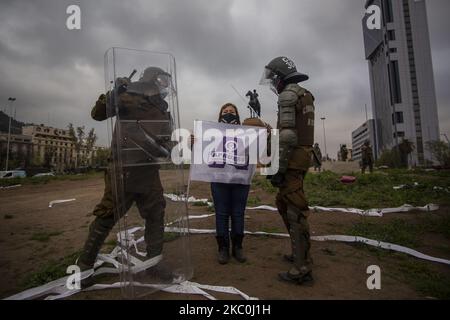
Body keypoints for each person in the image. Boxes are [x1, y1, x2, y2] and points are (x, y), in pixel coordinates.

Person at [77, 67, 172, 280]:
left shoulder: (163, 108)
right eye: (163, 80)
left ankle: (154, 263)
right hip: (124, 169)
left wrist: (167, 149)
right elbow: (98, 114)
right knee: (108, 214)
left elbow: (166, 137)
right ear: (151, 79)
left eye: (167, 81)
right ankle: (84, 267)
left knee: (156, 214)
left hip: (148, 170)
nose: (165, 85)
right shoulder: (128, 95)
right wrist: (114, 93)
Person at [260, 56, 315, 285]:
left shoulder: (288, 95)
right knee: (285, 204)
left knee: (294, 211)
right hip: (299, 159)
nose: (273, 82)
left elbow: (289, 136)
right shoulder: (304, 93)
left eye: (273, 78)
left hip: (291, 161)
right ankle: (300, 255)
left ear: (281, 76)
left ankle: (301, 268)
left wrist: (277, 170)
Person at [211, 103, 250, 264]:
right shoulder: (211, 133)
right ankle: (223, 248)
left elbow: (258, 149)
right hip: (219, 179)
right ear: (220, 115)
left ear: (237, 115)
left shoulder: (247, 133)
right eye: (225, 112)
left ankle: (238, 247)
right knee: (221, 213)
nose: (228, 114)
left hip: (240, 179)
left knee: (238, 213)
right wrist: (195, 142)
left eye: (232, 112)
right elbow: (202, 153)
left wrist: (266, 134)